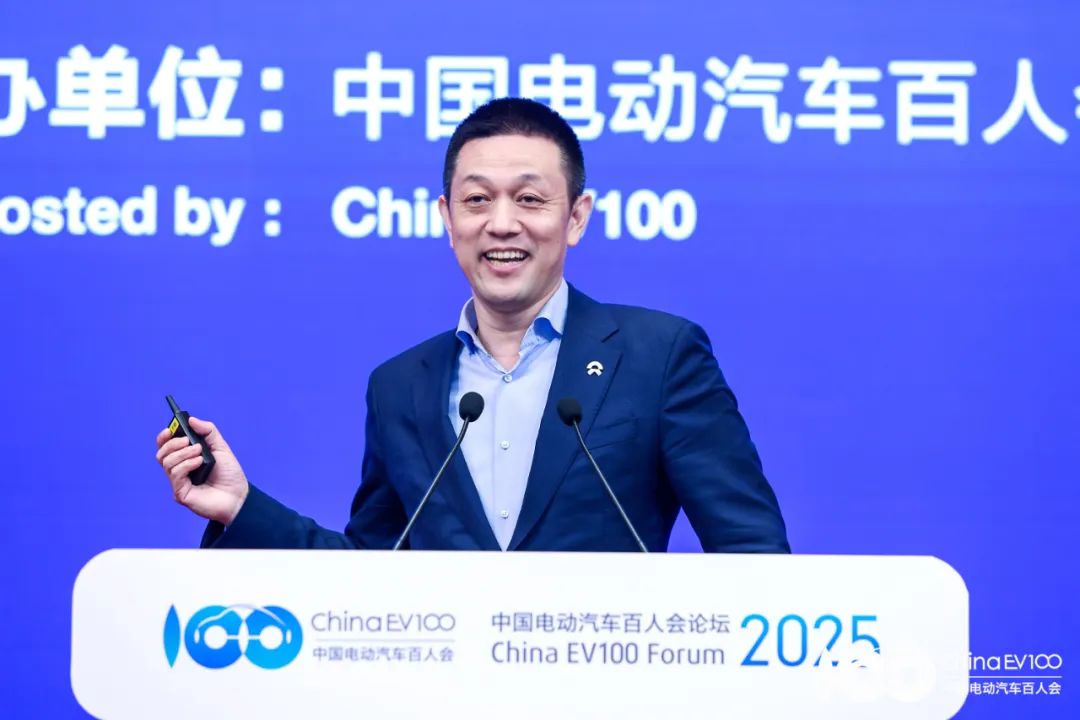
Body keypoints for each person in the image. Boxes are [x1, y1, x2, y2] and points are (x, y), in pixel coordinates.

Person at [155, 98, 789, 553]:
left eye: (530, 199)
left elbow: (751, 552)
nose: (502, 223)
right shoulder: (400, 385)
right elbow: (369, 574)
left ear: (575, 217)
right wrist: (241, 507)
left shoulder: (660, 356)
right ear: (447, 217)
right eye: (477, 199)